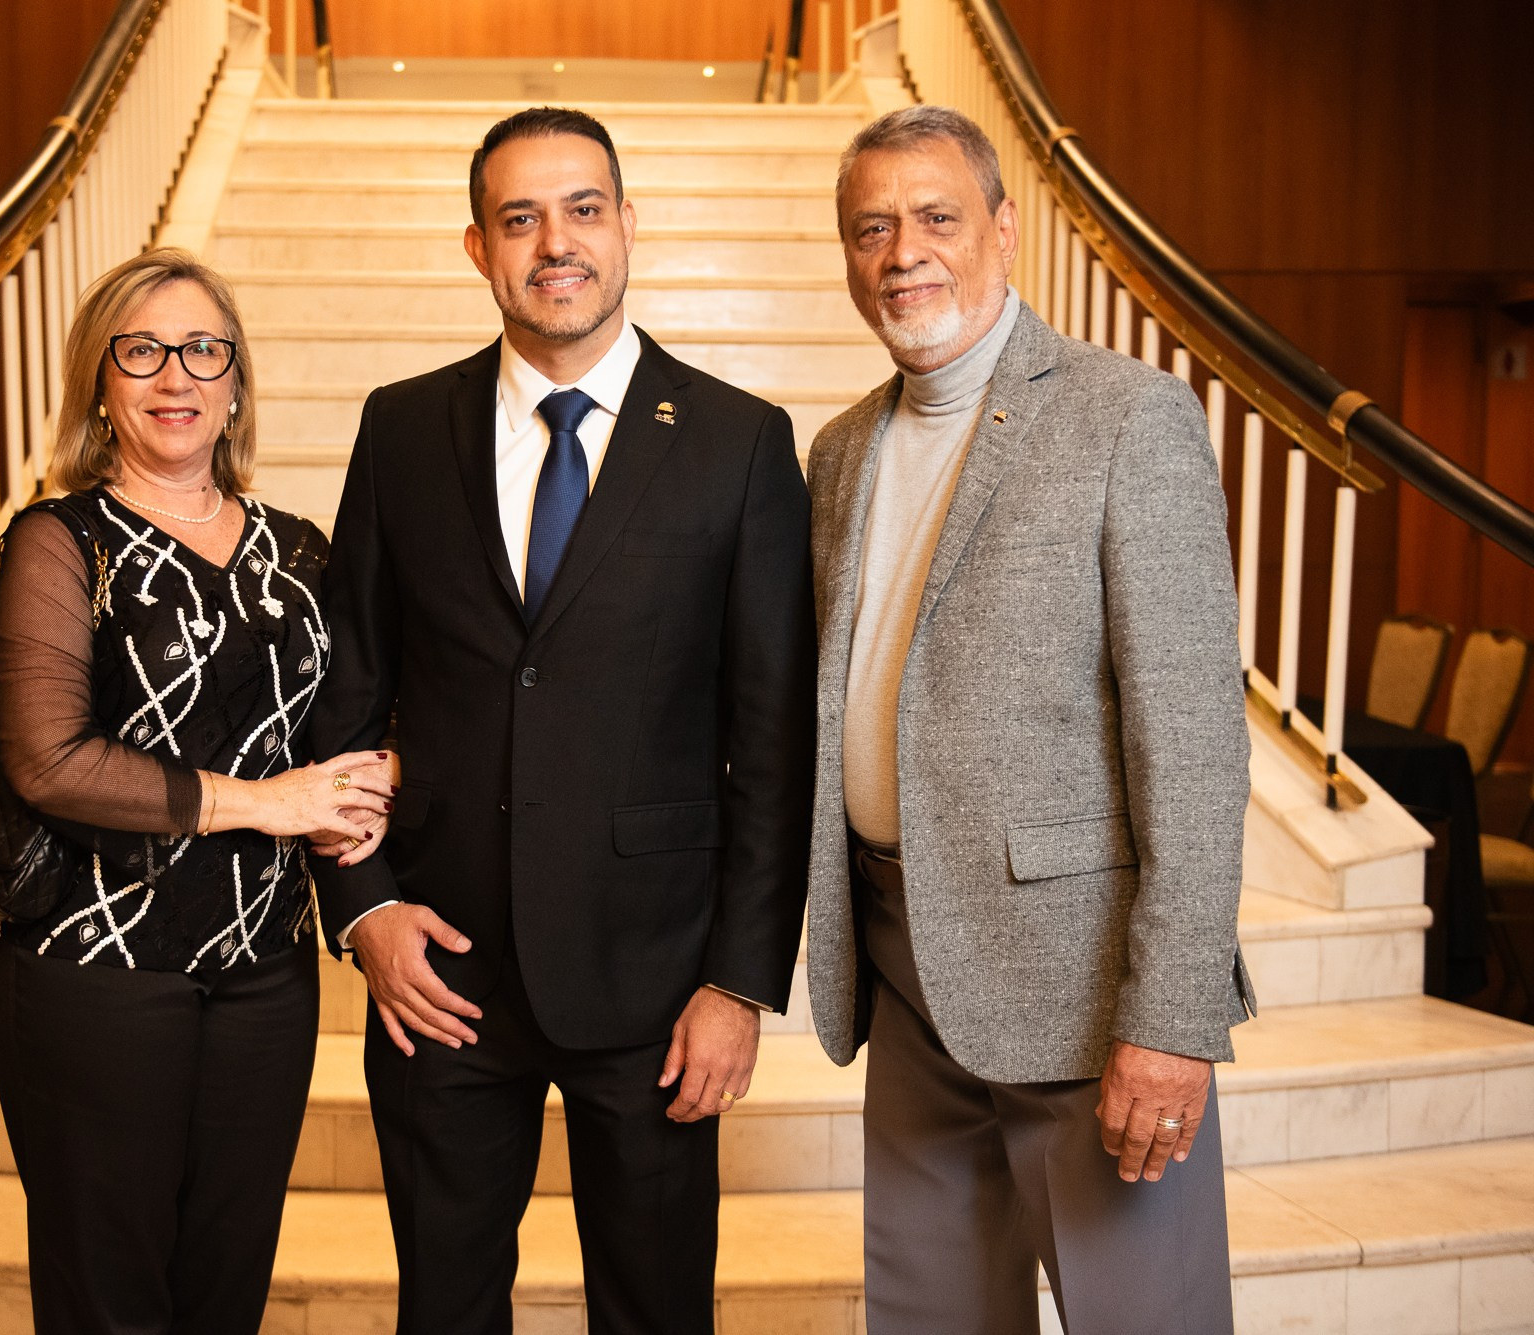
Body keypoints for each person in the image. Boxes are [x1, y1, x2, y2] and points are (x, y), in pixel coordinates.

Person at [310, 107, 815, 1335]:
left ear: (627, 227)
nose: (555, 243)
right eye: (519, 217)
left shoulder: (739, 444)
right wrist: (365, 908)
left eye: (582, 209)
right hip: (439, 967)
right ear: (476, 248)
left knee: (653, 1309)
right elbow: (344, 693)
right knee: (443, 1304)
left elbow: (773, 743)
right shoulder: (398, 427)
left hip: (653, 980)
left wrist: (738, 985)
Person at [804, 106, 1254, 1334]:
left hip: (1081, 993)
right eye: (870, 229)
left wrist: (1168, 1021)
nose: (903, 252)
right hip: (901, 979)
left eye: (936, 218)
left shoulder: (1126, 418)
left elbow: (1196, 745)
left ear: (1003, 232)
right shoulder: (838, 452)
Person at [0, 246, 394, 1334]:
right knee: (110, 1293)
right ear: (102, 384)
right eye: (144, 351)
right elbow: (47, 760)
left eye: (203, 350)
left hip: (263, 971)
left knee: (226, 1280)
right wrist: (270, 803)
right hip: (95, 970)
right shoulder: (62, 543)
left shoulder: (295, 551)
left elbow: (354, 713)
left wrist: (382, 765)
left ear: (236, 383)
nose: (176, 376)